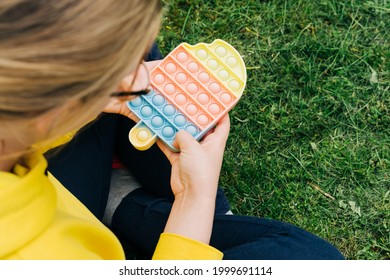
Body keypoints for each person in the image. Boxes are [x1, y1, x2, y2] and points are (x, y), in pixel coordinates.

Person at [0, 0, 344, 260]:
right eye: (122, 75)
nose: (137, 78)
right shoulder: (50, 258)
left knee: (120, 40)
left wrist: (102, 92)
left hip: (46, 181)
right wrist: (195, 199)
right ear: (47, 108)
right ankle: (128, 206)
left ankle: (121, 199)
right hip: (73, 223)